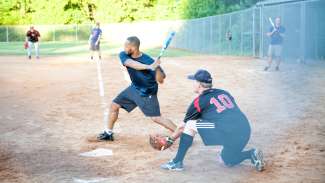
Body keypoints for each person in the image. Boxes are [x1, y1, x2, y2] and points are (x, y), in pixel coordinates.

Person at [160, 69, 265, 172]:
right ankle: (251, 154)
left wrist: (170, 140)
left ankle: (177, 162)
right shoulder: (224, 93)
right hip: (244, 130)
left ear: (199, 85)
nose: (193, 84)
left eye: (194, 81)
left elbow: (182, 127)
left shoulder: (198, 102)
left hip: (227, 131)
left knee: (190, 124)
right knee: (227, 160)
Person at [97, 36, 177, 141]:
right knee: (114, 106)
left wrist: (156, 68)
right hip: (134, 88)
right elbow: (132, 64)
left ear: (133, 48)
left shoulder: (148, 60)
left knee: (156, 117)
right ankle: (108, 133)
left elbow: (161, 80)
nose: (124, 48)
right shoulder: (124, 55)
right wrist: (149, 67)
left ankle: (182, 133)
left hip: (147, 93)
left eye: (126, 46)